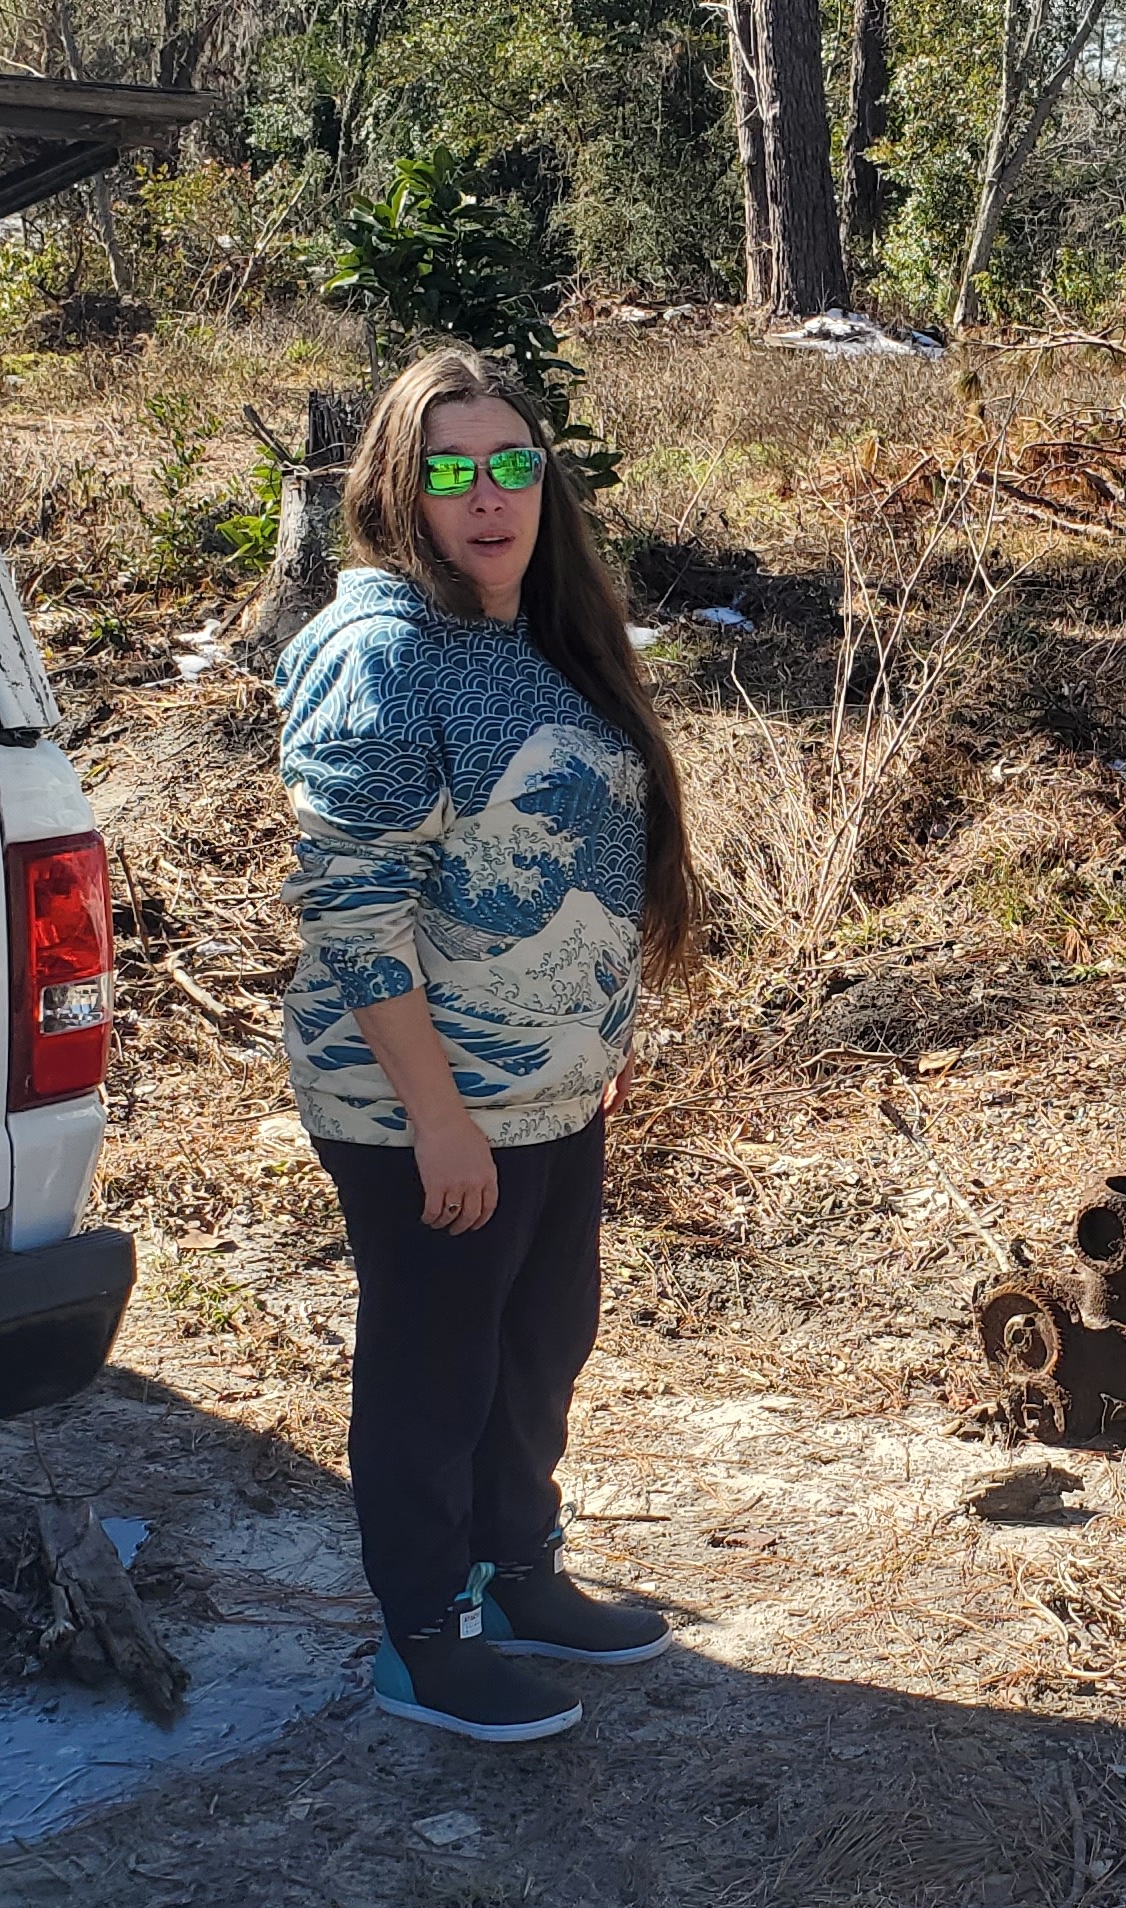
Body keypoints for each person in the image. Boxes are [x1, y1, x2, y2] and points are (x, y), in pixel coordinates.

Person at [272, 345, 698, 1743]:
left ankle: (517, 1579)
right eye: (448, 471)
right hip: (425, 1106)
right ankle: (425, 1640)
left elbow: (568, 854)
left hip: (544, 1091)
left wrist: (589, 1044)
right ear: (399, 491)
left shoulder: (532, 632)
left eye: (510, 463)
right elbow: (351, 903)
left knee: (538, 1346)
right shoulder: (384, 653)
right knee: (435, 1374)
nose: (487, 496)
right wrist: (440, 1116)